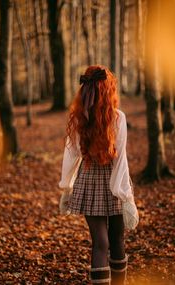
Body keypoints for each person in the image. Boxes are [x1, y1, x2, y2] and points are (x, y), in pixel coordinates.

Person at [59, 65, 137, 285]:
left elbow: (71, 154)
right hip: (114, 179)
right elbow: (120, 160)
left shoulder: (79, 118)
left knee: (101, 243)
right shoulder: (118, 118)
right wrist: (125, 196)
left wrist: (67, 186)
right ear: (107, 90)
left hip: (89, 179)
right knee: (116, 241)